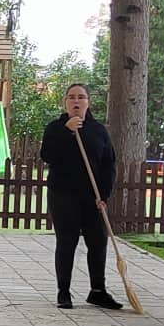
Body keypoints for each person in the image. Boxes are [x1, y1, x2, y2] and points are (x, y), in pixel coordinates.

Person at [39, 82, 124, 310]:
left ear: (88, 102)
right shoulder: (55, 128)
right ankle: (63, 291)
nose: (76, 101)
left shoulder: (98, 131)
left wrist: (103, 195)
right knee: (67, 242)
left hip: (92, 196)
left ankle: (98, 291)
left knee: (98, 241)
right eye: (71, 97)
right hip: (63, 195)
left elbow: (108, 164)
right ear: (65, 102)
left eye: (81, 97)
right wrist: (67, 132)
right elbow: (47, 155)